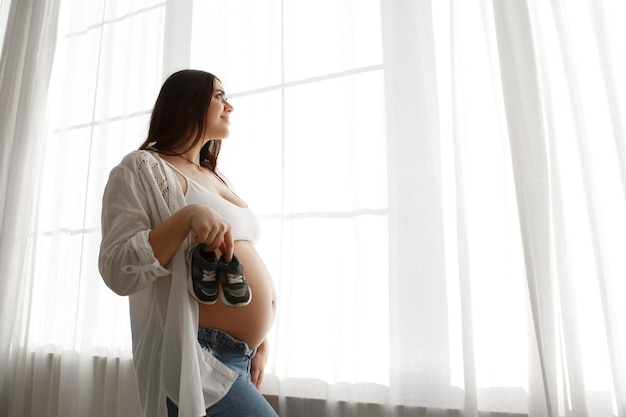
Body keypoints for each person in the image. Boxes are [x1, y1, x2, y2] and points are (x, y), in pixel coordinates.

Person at [98, 69, 278, 417]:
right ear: (185, 104)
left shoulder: (215, 176)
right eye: (219, 96)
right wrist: (187, 217)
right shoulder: (141, 168)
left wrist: (258, 339)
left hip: (237, 356)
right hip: (197, 356)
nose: (230, 106)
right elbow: (117, 267)